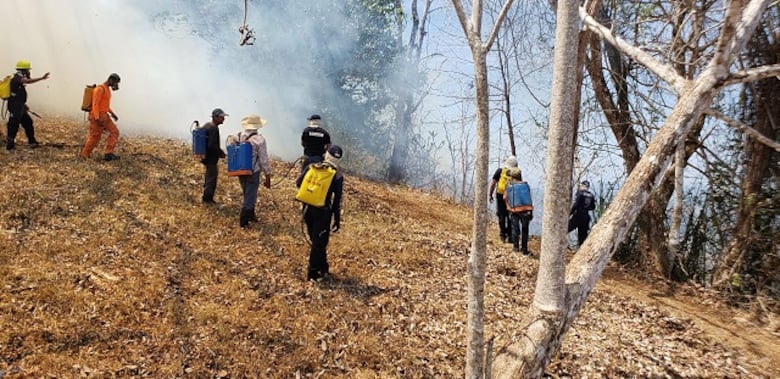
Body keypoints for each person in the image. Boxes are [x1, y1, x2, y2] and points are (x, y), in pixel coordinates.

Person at [295, 145, 344, 282]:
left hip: (307, 208)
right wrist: (337, 220)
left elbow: (298, 183)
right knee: (319, 243)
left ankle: (323, 267)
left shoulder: (312, 167)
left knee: (316, 240)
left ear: (326, 154)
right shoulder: (337, 176)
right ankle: (313, 273)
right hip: (323, 213)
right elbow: (337, 201)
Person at [227, 114, 272, 227]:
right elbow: (263, 159)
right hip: (253, 171)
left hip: (240, 170)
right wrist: (267, 176)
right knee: (250, 196)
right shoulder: (259, 140)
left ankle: (251, 215)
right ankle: (244, 222)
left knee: (247, 192)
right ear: (258, 126)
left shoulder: (238, 136)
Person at [6, 60, 49, 151]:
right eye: (27, 70)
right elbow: (27, 81)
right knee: (13, 124)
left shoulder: (19, 79)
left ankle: (32, 141)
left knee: (28, 122)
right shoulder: (17, 78)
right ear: (24, 70)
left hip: (20, 106)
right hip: (15, 106)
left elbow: (19, 94)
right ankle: (10, 144)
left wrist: (24, 105)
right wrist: (41, 78)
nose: (29, 72)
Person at [80, 73, 121, 160]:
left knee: (115, 132)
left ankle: (108, 154)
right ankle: (84, 155)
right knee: (95, 136)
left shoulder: (107, 90)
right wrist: (97, 118)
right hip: (97, 116)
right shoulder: (100, 89)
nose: (115, 85)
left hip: (104, 115)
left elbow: (105, 105)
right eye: (115, 83)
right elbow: (95, 104)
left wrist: (113, 114)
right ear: (111, 80)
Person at [200, 108, 228, 204]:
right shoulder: (213, 128)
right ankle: (207, 199)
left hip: (205, 157)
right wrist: (220, 153)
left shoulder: (207, 125)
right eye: (221, 117)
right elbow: (212, 145)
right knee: (212, 179)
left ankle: (206, 197)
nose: (223, 119)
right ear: (215, 117)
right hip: (211, 159)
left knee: (209, 177)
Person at [488, 155, 517, 242]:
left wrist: (490, 194)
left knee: (501, 215)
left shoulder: (500, 171)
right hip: (511, 196)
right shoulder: (516, 173)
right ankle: (510, 236)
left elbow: (493, 183)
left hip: (500, 195)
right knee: (510, 216)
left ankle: (502, 235)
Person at [504, 167, 532, 255]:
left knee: (515, 229)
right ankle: (524, 250)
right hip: (526, 210)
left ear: (512, 177)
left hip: (514, 210)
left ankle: (516, 247)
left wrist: (508, 207)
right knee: (525, 230)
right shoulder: (525, 185)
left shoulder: (509, 186)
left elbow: (504, 197)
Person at [568, 180, 596, 247]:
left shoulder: (580, 193)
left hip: (578, 215)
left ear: (582, 185)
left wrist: (569, 214)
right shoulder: (591, 195)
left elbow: (576, 204)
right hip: (586, 217)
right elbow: (593, 207)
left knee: (566, 229)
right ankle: (580, 251)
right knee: (582, 237)